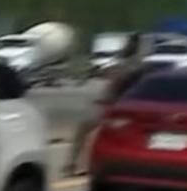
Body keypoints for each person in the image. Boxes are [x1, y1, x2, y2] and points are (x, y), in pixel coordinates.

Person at [63, 33, 148, 178]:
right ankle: (74, 164)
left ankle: (79, 165)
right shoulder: (126, 64)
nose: (126, 46)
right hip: (107, 104)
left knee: (90, 132)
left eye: (130, 44)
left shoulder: (135, 67)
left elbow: (122, 84)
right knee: (85, 129)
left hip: (115, 106)